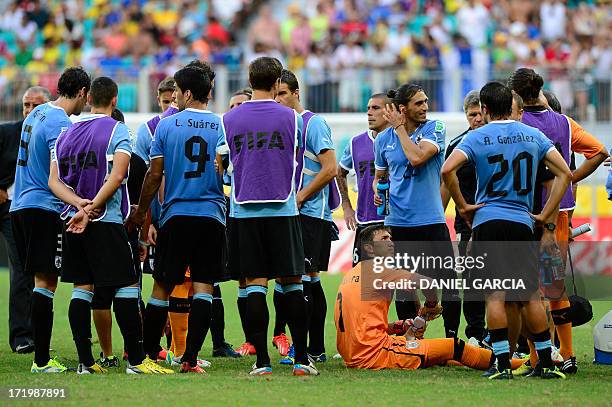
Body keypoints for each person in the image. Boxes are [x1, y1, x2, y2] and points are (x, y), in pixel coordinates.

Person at [442, 81, 571, 380]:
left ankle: (501, 364)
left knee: (495, 295)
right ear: (510, 106)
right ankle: (546, 364)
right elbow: (564, 173)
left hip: (488, 220)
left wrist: (463, 205)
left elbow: (447, 170)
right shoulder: (533, 135)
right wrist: (546, 213)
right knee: (529, 294)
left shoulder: (477, 137)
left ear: (485, 109)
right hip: (522, 220)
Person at [48, 76, 171, 375]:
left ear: (88, 98)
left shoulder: (67, 132)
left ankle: (85, 363)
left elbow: (53, 181)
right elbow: (116, 177)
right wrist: (91, 209)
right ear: (115, 99)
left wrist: (78, 205)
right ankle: (136, 361)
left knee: (82, 289)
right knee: (127, 286)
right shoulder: (118, 130)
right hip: (106, 221)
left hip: (73, 222)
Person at [127, 66, 227, 374]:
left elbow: (154, 175)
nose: (174, 98)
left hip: (176, 214)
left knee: (161, 287)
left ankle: (145, 355)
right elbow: (226, 170)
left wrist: (142, 212)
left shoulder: (166, 126)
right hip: (211, 214)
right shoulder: (221, 125)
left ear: (185, 93)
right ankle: (190, 359)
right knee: (204, 287)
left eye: (177, 93)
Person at [221, 57, 317, 376]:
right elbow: (299, 158)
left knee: (255, 287)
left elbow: (223, 162)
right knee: (292, 284)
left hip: (244, 210)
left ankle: (262, 362)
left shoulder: (229, 119)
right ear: (278, 83)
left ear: (250, 80)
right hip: (283, 208)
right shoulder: (293, 119)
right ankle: (302, 360)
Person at [509, 68, 609, 374]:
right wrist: (568, 180)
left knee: (526, 288)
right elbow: (599, 152)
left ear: (515, 95)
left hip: (524, 211)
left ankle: (536, 356)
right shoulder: (564, 123)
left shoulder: (515, 123)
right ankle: (566, 354)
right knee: (554, 287)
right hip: (560, 214)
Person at [335, 224, 502, 372]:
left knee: (440, 353)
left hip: (353, 353)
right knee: (455, 346)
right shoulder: (378, 269)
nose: (391, 242)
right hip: (375, 354)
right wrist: (430, 306)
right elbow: (428, 284)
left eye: (391, 238)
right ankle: (507, 364)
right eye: (384, 238)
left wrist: (398, 326)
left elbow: (360, 326)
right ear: (369, 249)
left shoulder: (353, 273)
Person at [10, 67, 89, 373]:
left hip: (20, 206)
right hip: (43, 207)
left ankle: (40, 355)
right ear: (82, 92)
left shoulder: (38, 113)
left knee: (37, 282)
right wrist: (79, 202)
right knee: (46, 282)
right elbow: (57, 177)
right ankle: (42, 361)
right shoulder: (60, 124)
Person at [372, 84, 458, 337]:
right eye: (418, 103)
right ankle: (410, 339)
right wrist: (379, 191)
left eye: (425, 101)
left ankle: (452, 338)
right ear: (403, 108)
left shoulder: (434, 128)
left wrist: (399, 129)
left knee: (448, 282)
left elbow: (417, 158)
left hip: (430, 219)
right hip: (398, 221)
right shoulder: (383, 140)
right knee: (404, 285)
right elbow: (380, 176)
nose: (425, 107)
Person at [275, 69, 338, 363]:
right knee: (304, 278)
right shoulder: (283, 124)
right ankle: (314, 349)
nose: (278, 99)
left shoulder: (312, 124)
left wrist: (299, 197)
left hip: (312, 213)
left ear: (296, 93)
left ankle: (312, 349)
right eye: (274, 94)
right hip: (293, 212)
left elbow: (330, 168)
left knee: (305, 277)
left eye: (283, 93)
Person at [0, 86, 49, 354]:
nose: (29, 111)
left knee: (22, 270)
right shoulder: (7, 132)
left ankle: (22, 336)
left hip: (16, 210)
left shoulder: (51, 134)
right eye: (26, 105)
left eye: (35, 106)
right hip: (7, 202)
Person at [440, 90, 486, 342]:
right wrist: (438, 215)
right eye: (472, 115)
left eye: (480, 114)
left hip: (494, 218)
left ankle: (510, 336)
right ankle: (476, 333)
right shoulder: (456, 145)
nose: (476, 119)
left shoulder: (497, 141)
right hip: (466, 223)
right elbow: (446, 184)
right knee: (472, 279)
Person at [338, 93, 389, 267]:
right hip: (365, 222)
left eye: (375, 108)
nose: (369, 113)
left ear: (389, 111)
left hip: (393, 222)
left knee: (401, 286)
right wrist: (346, 207)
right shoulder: (356, 143)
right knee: (363, 286)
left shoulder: (400, 141)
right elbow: (339, 172)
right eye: (368, 108)